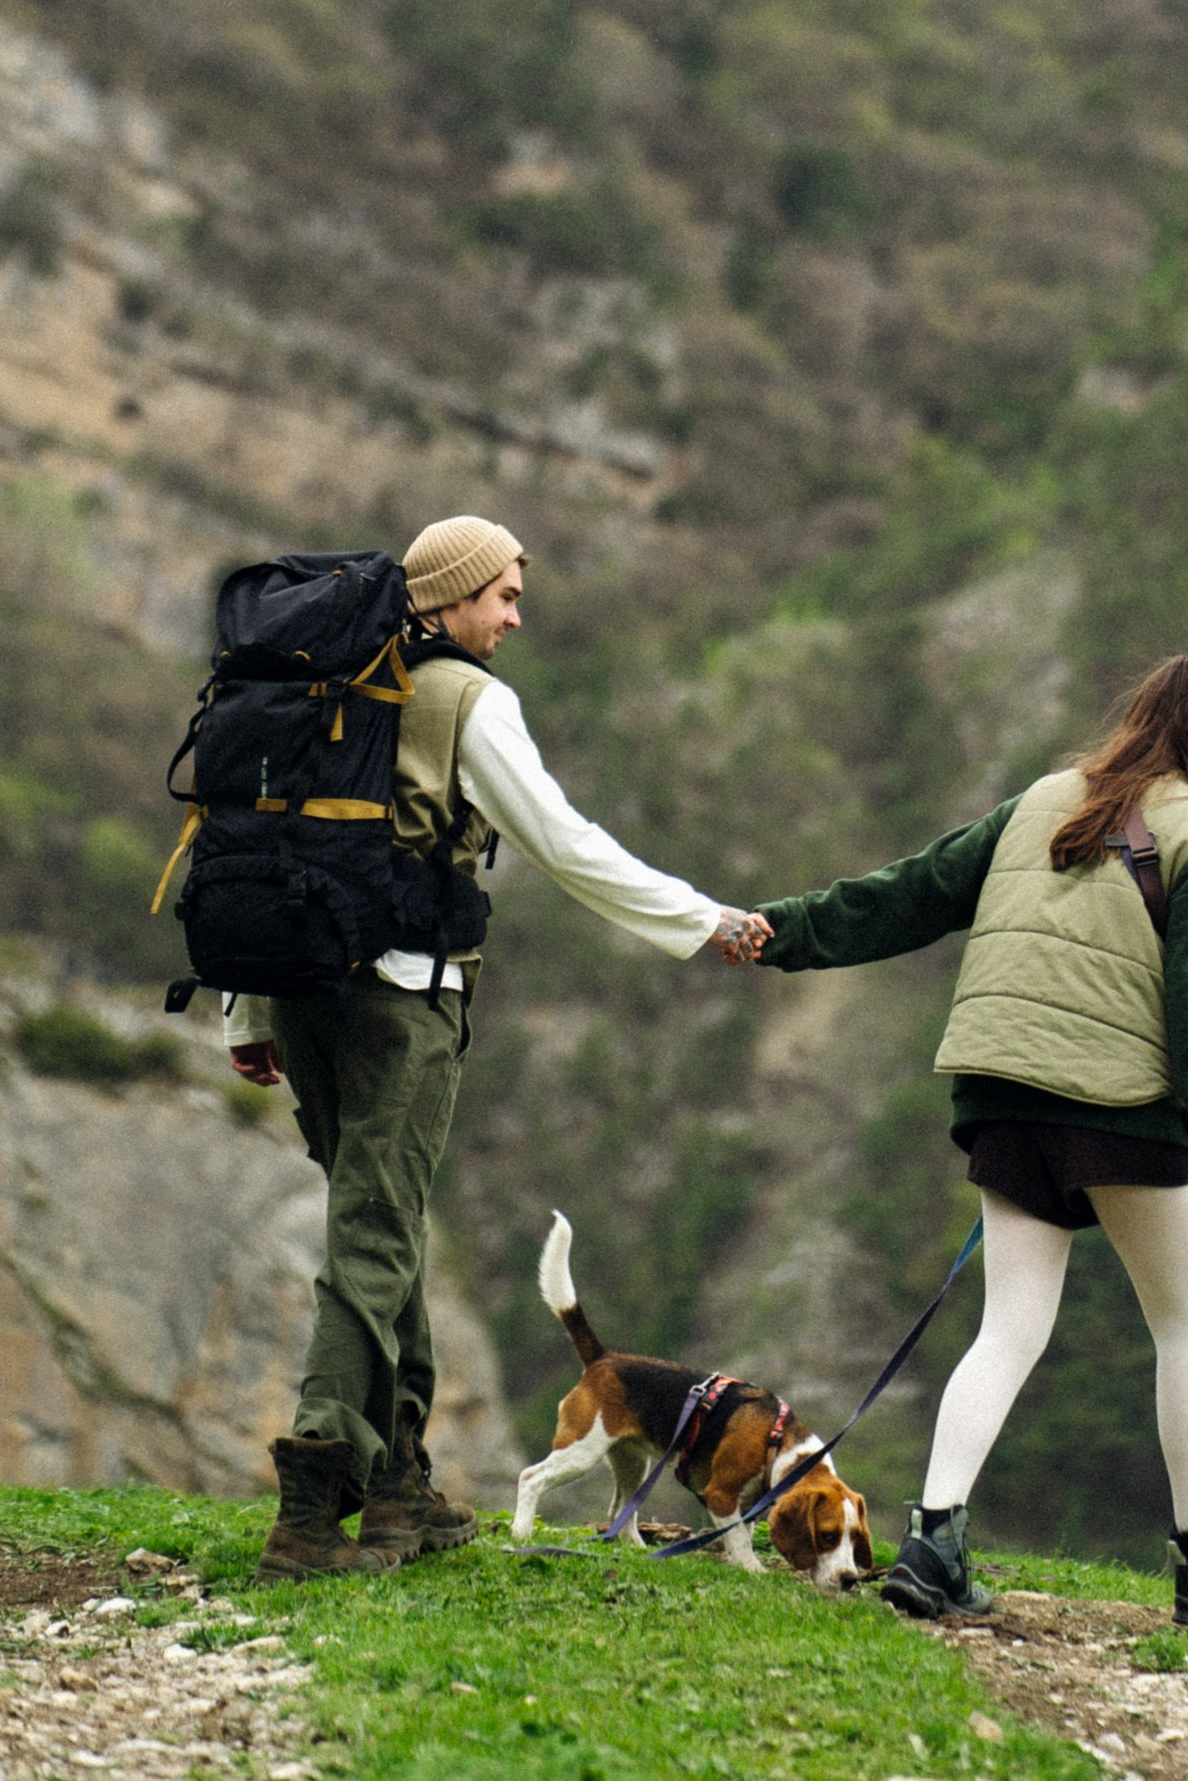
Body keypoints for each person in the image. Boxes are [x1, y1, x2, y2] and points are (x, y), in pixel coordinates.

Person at [226, 513, 772, 1578]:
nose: (516, 616)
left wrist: (247, 1014)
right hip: (400, 1000)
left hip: (301, 996)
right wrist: (697, 918)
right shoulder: (466, 701)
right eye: (504, 595)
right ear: (449, 597)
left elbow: (259, 837)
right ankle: (307, 1512)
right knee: (373, 1237)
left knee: (385, 1225)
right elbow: (562, 843)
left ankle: (401, 1490)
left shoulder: (321, 688)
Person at [745, 652, 1188, 1629]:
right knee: (1183, 1326)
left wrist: (780, 930)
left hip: (1002, 1097)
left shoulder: (1041, 800)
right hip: (1116, 1109)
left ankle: (933, 1543)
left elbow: (907, 894)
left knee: (1008, 1326)